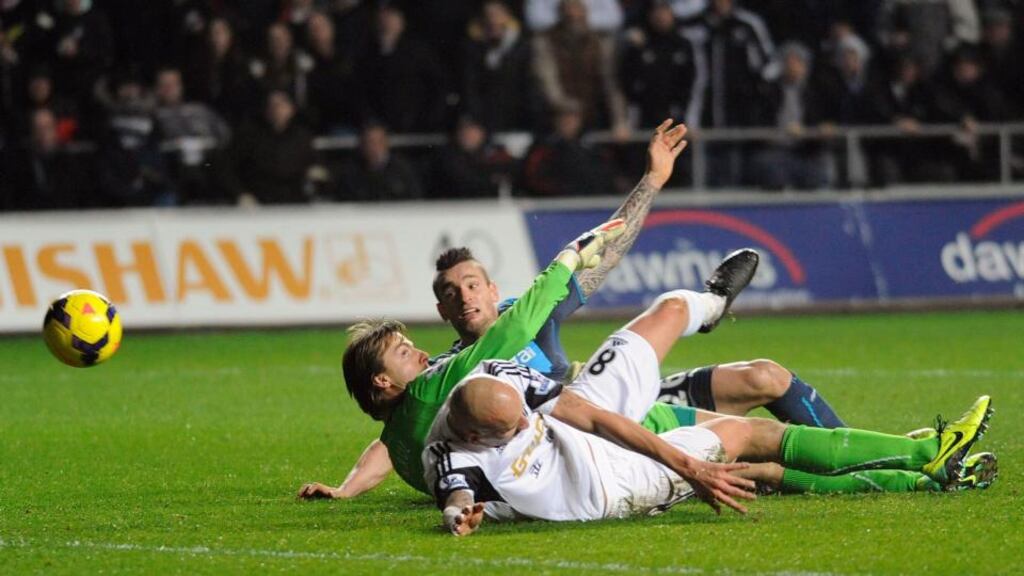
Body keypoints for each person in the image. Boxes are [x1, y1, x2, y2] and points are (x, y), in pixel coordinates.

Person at [298, 120, 846, 500]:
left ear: (493, 291)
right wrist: (346, 488)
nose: (463, 297)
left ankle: (846, 444)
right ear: (441, 311)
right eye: (449, 293)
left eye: (471, 284)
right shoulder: (451, 376)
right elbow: (391, 440)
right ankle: (858, 464)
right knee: (743, 441)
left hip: (622, 399)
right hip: (598, 435)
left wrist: (651, 180)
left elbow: (599, 258)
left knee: (766, 377)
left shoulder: (528, 316)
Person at [427, 343, 995, 535]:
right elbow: (454, 499)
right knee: (752, 435)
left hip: (608, 458)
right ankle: (924, 452)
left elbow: (594, 418)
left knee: (762, 471)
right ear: (475, 433)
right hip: (610, 491)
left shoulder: (500, 379)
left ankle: (931, 474)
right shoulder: (451, 456)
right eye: (509, 430)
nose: (528, 423)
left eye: (524, 416)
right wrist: (459, 518)